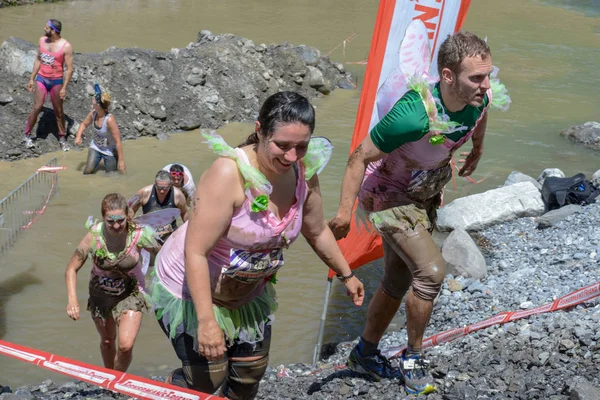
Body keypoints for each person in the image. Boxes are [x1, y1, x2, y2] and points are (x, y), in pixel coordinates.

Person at [328, 32, 510, 395]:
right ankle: (412, 359)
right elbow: (359, 157)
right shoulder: (412, 115)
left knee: (397, 282)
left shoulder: (479, 97)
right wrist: (345, 213)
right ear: (446, 76)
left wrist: (477, 146)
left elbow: (482, 111)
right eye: (476, 78)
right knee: (430, 272)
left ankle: (364, 353)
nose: (486, 85)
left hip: (424, 191)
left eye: (488, 75)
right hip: (388, 194)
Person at [151, 91, 365, 399]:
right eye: (282, 145)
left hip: (248, 290)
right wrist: (207, 322)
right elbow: (196, 252)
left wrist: (347, 274)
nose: (292, 156)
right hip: (189, 287)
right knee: (208, 382)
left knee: (248, 377)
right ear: (260, 131)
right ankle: (171, 389)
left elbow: (316, 230)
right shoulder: (229, 173)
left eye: (301, 146)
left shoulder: (304, 171)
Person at [65, 193, 161, 372]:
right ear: (103, 217)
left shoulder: (139, 235)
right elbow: (71, 269)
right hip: (100, 294)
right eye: (110, 221)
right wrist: (72, 300)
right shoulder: (93, 237)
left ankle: (117, 379)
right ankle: (109, 380)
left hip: (131, 292)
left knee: (125, 346)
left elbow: (165, 256)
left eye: (120, 220)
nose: (116, 225)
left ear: (127, 215)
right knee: (108, 341)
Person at [24, 19, 74, 151]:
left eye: (46, 28)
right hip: (41, 78)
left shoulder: (66, 46)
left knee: (58, 111)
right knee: (37, 107)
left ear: (53, 31)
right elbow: (38, 59)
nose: (44, 29)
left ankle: (62, 138)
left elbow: (69, 69)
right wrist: (31, 79)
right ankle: (27, 135)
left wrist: (64, 88)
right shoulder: (42, 40)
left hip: (56, 81)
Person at [74, 85, 126, 174]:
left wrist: (121, 161)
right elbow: (83, 124)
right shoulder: (93, 114)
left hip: (109, 150)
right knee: (87, 172)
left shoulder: (109, 120)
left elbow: (118, 141)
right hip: (96, 146)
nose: (92, 100)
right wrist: (78, 136)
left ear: (98, 105)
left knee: (111, 176)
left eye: (94, 99)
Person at [129, 170, 188, 241]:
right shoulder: (144, 193)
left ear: (170, 185)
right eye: (159, 188)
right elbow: (131, 209)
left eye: (165, 188)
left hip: (169, 233)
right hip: (148, 232)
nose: (162, 191)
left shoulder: (178, 195)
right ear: (155, 184)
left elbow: (185, 214)